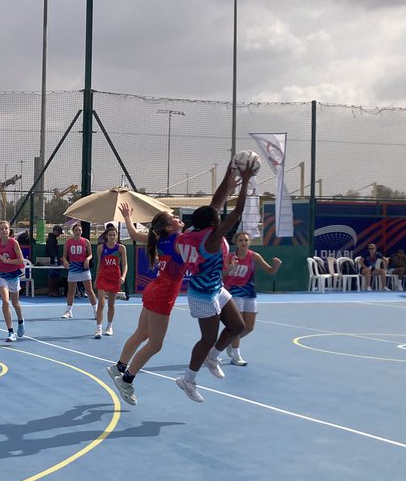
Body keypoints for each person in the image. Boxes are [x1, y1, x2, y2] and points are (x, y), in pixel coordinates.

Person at [172, 156, 259, 403]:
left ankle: (213, 356)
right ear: (213, 224)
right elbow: (237, 212)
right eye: (218, 218)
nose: (220, 217)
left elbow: (217, 201)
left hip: (215, 287)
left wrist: (230, 174)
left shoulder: (194, 231)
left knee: (238, 326)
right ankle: (187, 380)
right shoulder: (210, 239)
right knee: (208, 337)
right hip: (202, 294)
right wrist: (245, 182)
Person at [108, 204, 186, 406]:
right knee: (155, 344)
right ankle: (126, 380)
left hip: (153, 290)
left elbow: (134, 234)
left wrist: (127, 217)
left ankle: (119, 367)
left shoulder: (160, 238)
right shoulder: (178, 240)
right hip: (163, 294)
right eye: (174, 217)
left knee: (141, 334)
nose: (178, 217)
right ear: (169, 227)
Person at [223, 231, 282, 366]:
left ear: (249, 242)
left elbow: (270, 271)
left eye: (246, 240)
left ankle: (228, 343)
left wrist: (276, 266)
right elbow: (222, 274)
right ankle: (236, 355)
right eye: (241, 240)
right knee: (238, 325)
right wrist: (230, 268)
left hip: (250, 293)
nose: (244, 242)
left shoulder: (254, 256)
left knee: (249, 327)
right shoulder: (230, 257)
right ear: (236, 243)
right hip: (235, 292)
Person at [0, 220, 26, 342]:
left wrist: (7, 262)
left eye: (6, 228)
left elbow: (21, 261)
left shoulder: (14, 243)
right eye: (1, 229)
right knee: (5, 301)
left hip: (13, 275)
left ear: (9, 230)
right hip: (1, 275)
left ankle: (21, 322)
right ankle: (10, 331)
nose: (4, 230)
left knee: (15, 303)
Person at [93, 224, 127, 339]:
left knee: (111, 304)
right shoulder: (101, 248)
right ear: (106, 236)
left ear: (116, 236)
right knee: (101, 303)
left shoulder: (121, 248)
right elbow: (99, 264)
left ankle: (109, 326)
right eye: (110, 235)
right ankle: (98, 329)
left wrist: (123, 276)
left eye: (114, 235)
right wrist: (97, 278)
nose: (112, 237)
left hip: (115, 277)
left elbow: (125, 265)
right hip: (103, 276)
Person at [61, 223, 97, 319]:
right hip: (73, 268)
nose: (78, 232)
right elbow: (64, 256)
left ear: (82, 232)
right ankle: (69, 311)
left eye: (79, 230)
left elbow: (90, 254)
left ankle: (95, 311)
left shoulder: (86, 242)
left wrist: (87, 259)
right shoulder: (68, 242)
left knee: (89, 290)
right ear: (73, 231)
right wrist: (64, 261)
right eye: (76, 230)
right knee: (71, 291)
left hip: (84, 268)